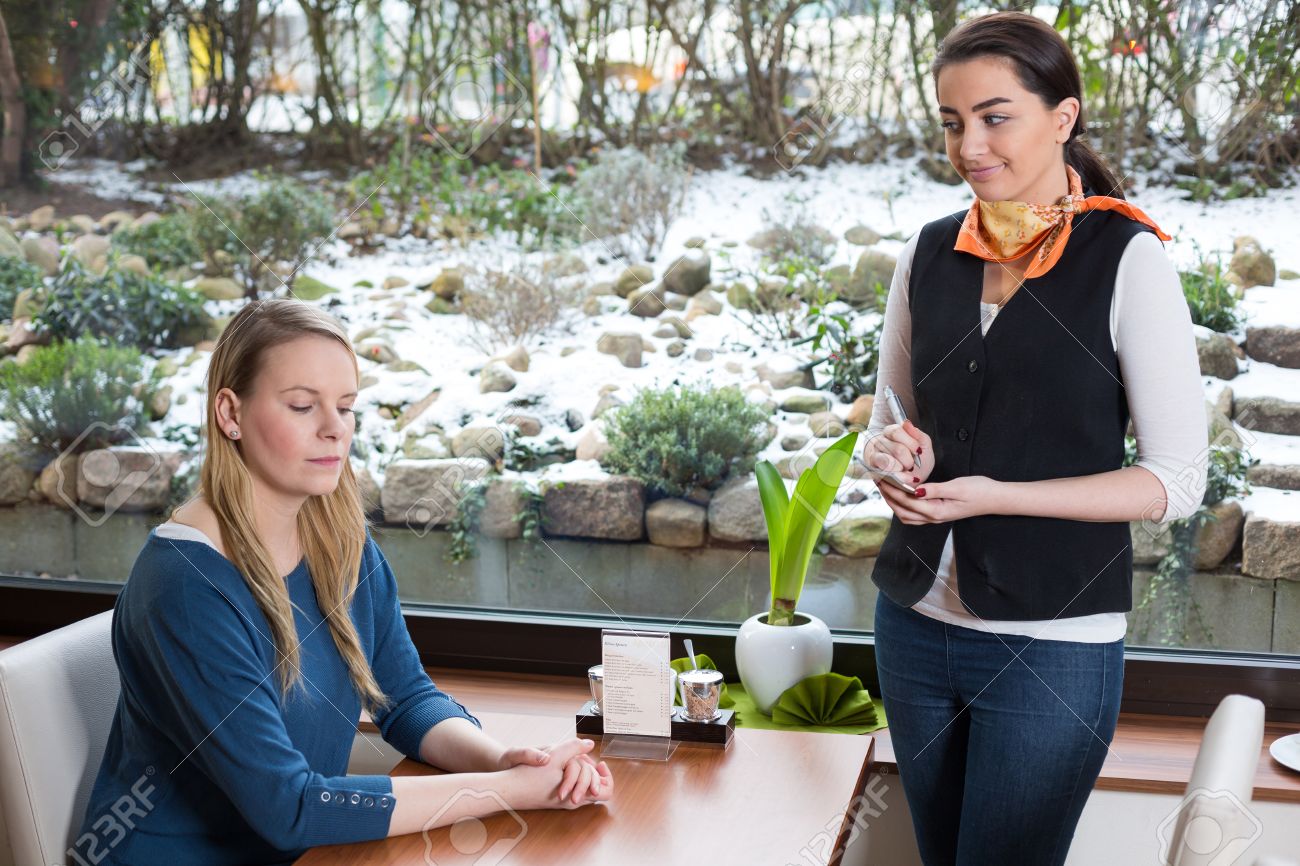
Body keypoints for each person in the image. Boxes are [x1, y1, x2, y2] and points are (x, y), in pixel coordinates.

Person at [76, 298, 613, 865]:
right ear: (230, 413)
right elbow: (290, 809)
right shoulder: (185, 587)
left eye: (347, 407)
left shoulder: (340, 543)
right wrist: (505, 792)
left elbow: (406, 699)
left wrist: (505, 762)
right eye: (303, 406)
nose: (335, 429)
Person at [862, 12, 1207, 865]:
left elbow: (1174, 482)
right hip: (912, 625)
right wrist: (892, 456)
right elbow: (890, 419)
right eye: (952, 122)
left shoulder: (1128, 260)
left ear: (1063, 117)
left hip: (1052, 649)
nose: (969, 146)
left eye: (995, 117)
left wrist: (998, 497)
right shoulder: (929, 252)